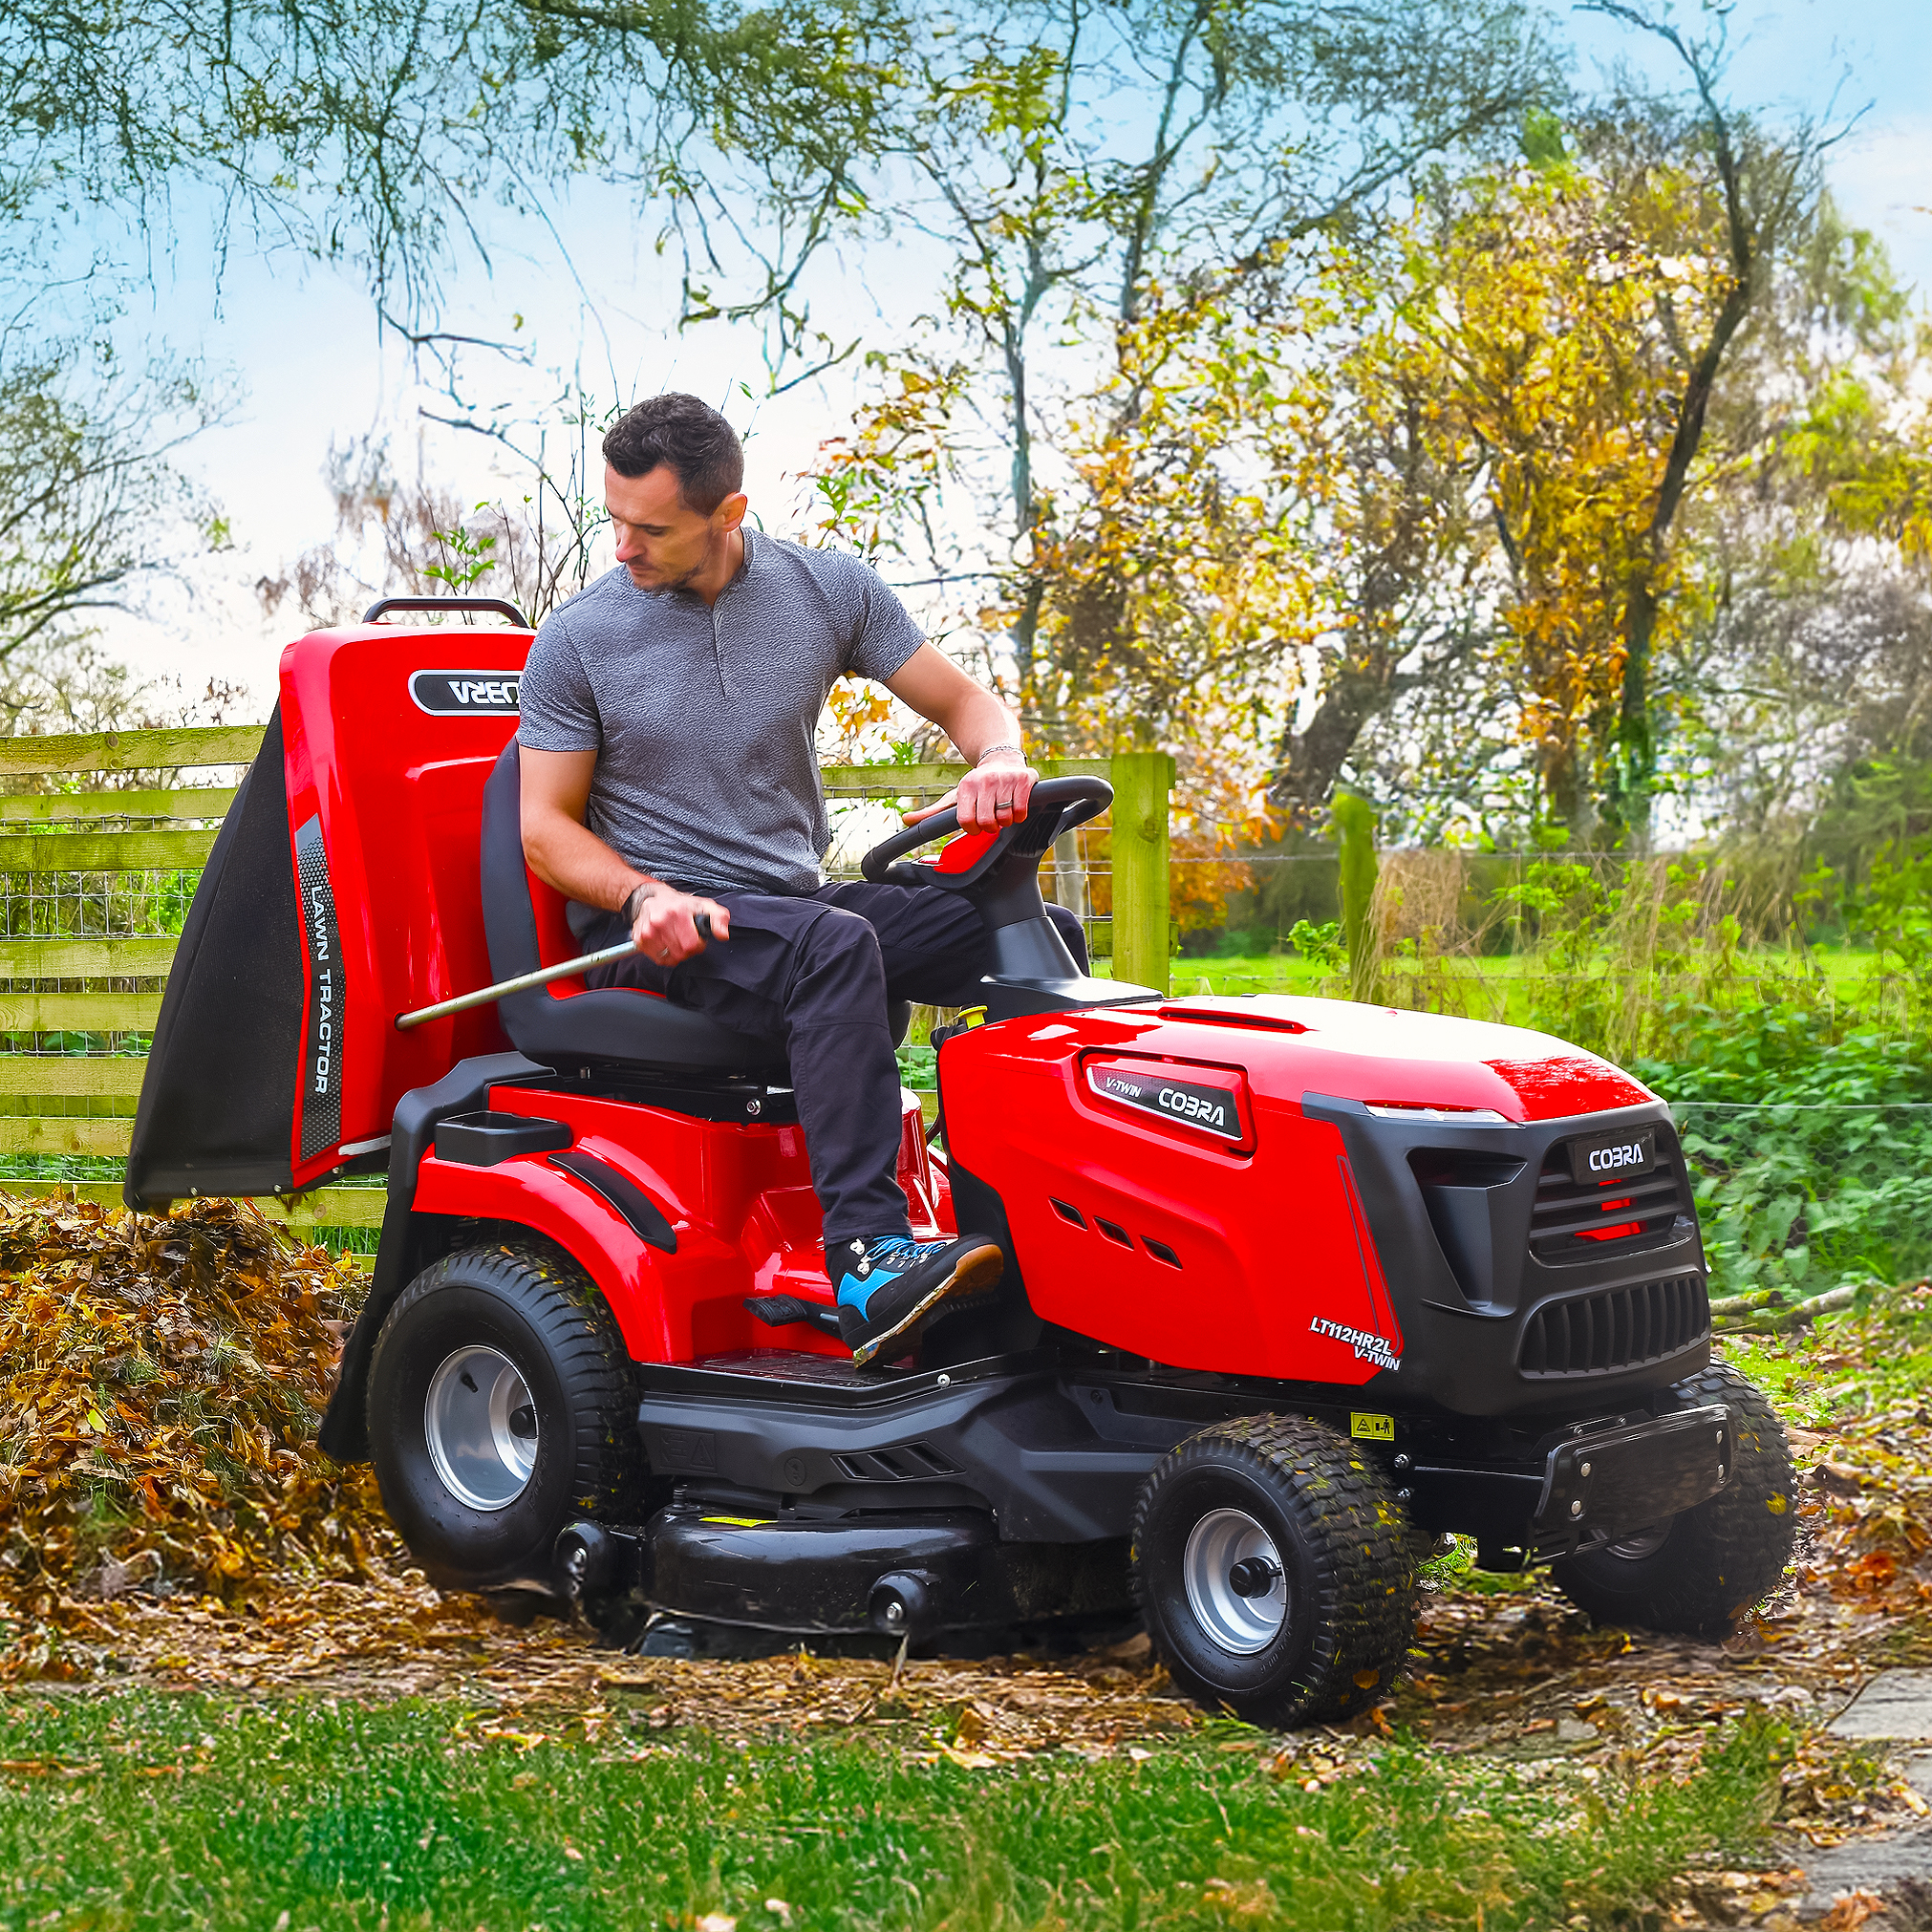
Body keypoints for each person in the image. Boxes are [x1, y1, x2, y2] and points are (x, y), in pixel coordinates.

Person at [515, 392, 1090, 1365]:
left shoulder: (826, 592)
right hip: (656, 928)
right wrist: (640, 896)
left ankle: (1024, 1219)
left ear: (728, 515)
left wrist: (997, 757)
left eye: (650, 528)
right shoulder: (578, 641)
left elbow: (968, 703)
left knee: (1030, 934)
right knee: (836, 946)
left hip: (788, 910)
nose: (622, 548)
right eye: (614, 519)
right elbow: (543, 829)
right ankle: (866, 1261)